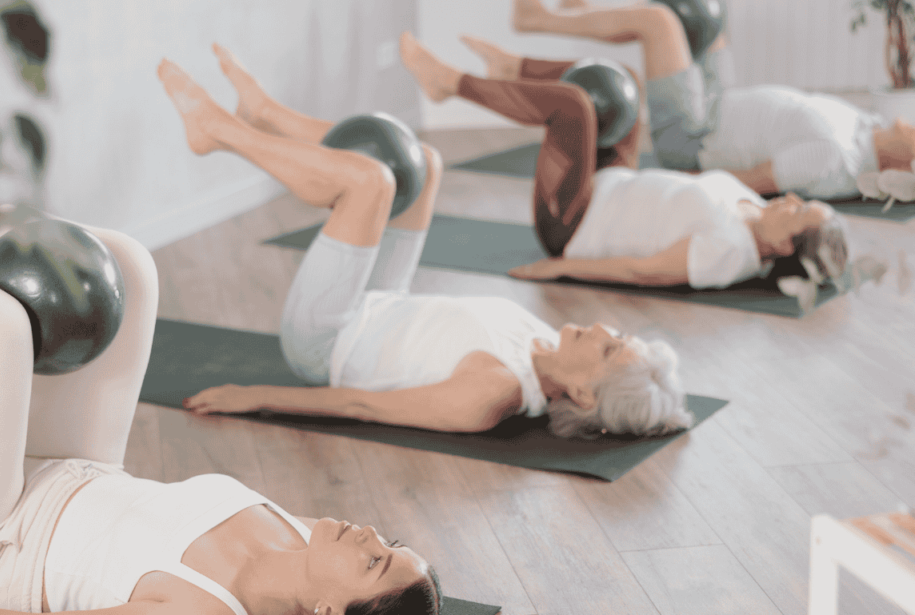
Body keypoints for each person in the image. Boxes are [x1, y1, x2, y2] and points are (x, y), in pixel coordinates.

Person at [0, 179, 440, 615]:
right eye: (388, 543)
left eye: (373, 562)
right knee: (127, 264)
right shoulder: (305, 537)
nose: (369, 536)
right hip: (78, 468)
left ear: (325, 611)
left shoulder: (205, 609)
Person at [157, 44, 694, 441]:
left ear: (580, 394)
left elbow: (363, 405)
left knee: (372, 184)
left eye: (607, 347)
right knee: (426, 164)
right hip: (382, 303)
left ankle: (219, 131)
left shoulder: (490, 395)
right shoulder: (542, 342)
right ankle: (271, 117)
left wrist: (253, 399)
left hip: (327, 340)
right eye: (616, 333)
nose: (601, 327)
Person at [399, 30, 849, 290]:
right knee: (623, 85)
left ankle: (448, 83)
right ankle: (513, 70)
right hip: (613, 179)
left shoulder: (729, 253)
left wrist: (560, 267)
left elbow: (644, 271)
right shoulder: (753, 208)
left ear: (787, 246)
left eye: (799, 210)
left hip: (574, 220)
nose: (790, 198)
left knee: (574, 107)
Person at [509, 0, 915, 203]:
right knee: (702, 14)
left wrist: (676, 184)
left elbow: (751, 183)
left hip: (695, 133)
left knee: (659, 21)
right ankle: (583, 9)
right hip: (724, 100)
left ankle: (537, 19)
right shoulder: (868, 127)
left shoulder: (831, 159)